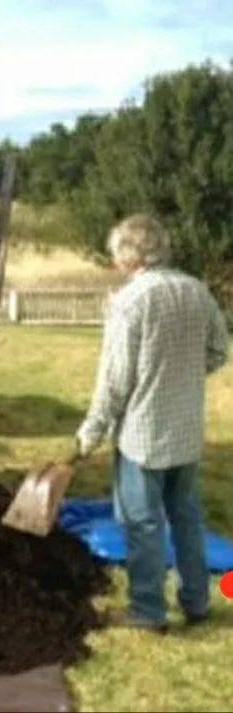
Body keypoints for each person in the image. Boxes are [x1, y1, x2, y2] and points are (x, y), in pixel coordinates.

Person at [76, 214, 229, 633]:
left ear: (130, 255)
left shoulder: (130, 301)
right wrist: (181, 375)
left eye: (116, 254)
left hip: (143, 436)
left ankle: (147, 611)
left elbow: (115, 380)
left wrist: (91, 431)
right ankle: (197, 602)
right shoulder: (196, 290)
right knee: (188, 519)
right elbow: (219, 350)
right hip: (186, 432)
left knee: (142, 524)